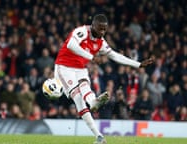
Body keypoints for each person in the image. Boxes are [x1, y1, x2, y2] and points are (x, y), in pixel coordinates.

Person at [54, 14, 154, 144]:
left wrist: (138, 64)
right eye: (100, 29)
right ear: (93, 25)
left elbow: (115, 56)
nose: (102, 32)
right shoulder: (82, 31)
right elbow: (71, 45)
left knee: (85, 87)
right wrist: (91, 57)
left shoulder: (100, 42)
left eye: (104, 30)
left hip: (80, 68)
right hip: (64, 67)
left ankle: (98, 133)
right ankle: (93, 111)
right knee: (78, 98)